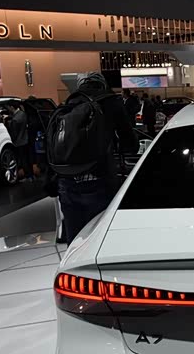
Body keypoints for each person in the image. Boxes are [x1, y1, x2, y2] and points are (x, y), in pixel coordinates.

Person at [48, 72, 137, 243]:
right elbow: (130, 143)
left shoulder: (70, 103)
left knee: (75, 242)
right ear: (103, 84)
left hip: (67, 182)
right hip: (99, 180)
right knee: (100, 240)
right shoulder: (111, 102)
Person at [4, 102, 32, 181]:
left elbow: (14, 133)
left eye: (8, 108)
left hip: (18, 142)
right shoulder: (23, 114)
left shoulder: (15, 120)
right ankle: (30, 176)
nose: (8, 109)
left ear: (12, 107)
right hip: (25, 140)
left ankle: (27, 176)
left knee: (22, 160)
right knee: (27, 159)